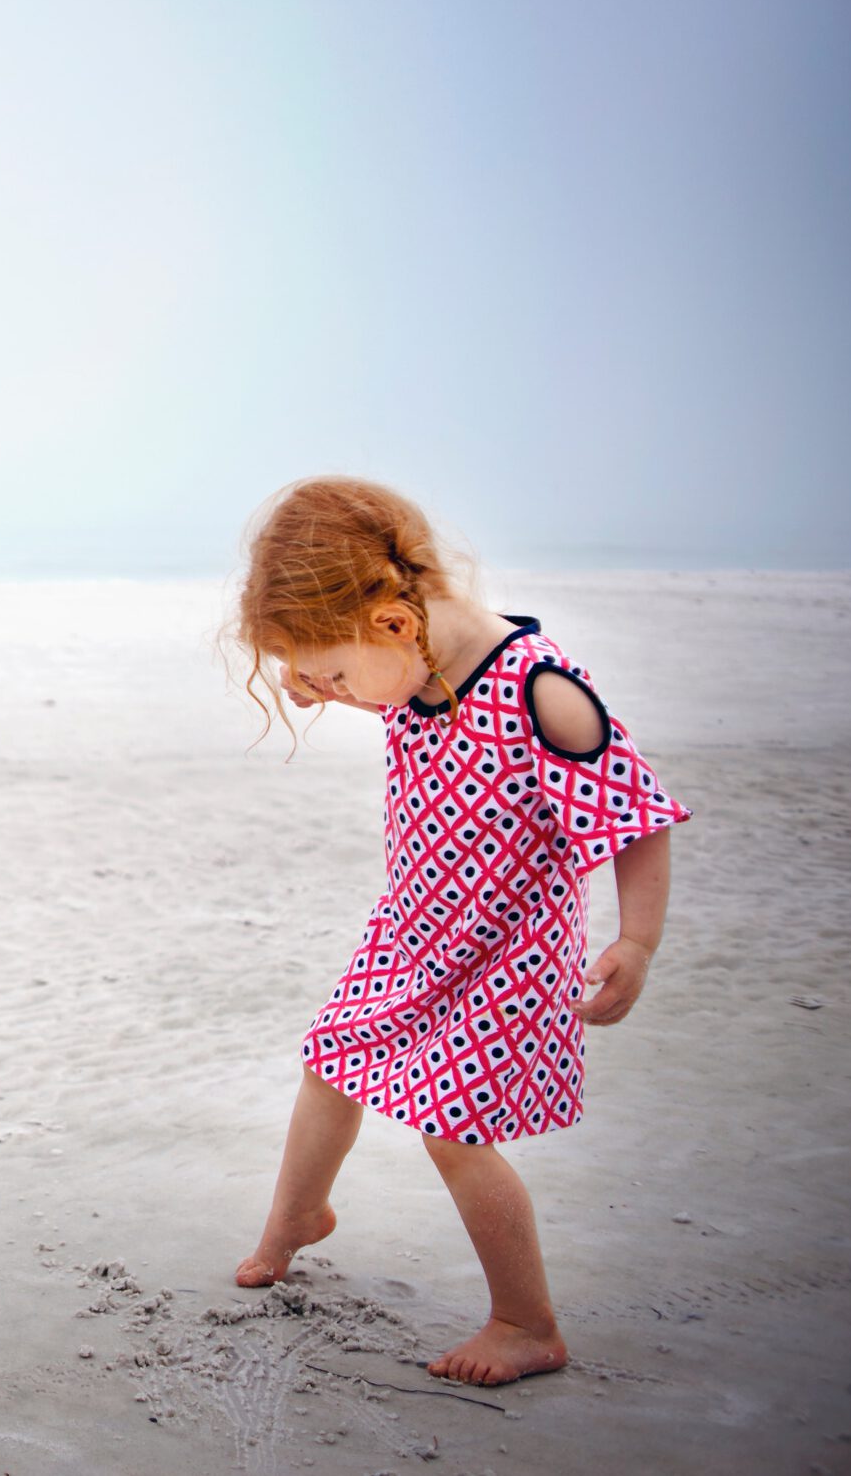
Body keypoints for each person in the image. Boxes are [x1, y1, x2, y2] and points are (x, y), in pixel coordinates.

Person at [225, 476, 690, 1386]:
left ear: (395, 623)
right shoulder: (412, 659)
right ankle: (297, 1218)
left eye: (337, 671)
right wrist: (322, 673)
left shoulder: (543, 691)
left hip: (505, 959)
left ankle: (526, 1320)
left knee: (454, 1130)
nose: (331, 692)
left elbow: (638, 816)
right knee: (333, 1059)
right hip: (412, 932)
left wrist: (637, 942)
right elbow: (365, 682)